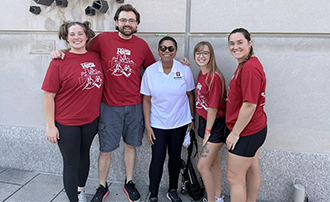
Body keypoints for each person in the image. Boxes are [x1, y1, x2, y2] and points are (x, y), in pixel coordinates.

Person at [42, 21, 103, 202]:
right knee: (70, 164)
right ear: (66, 38)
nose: (76, 37)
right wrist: (50, 126)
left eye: (80, 33)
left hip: (91, 120)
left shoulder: (96, 56)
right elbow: (48, 97)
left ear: (87, 36)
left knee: (84, 157)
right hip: (67, 122)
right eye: (72, 34)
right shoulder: (58, 62)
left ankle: (80, 191)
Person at [140, 36, 195, 202]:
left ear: (175, 51)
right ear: (158, 51)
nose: (167, 51)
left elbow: (190, 96)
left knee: (175, 157)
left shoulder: (184, 70)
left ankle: (172, 190)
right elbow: (146, 99)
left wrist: (192, 119)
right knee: (157, 159)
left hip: (179, 123)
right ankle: (154, 193)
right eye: (163, 48)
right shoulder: (150, 71)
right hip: (157, 124)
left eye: (170, 48)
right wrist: (148, 126)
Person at [225, 28, 267, 202]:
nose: (235, 47)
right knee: (252, 168)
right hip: (255, 128)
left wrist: (235, 133)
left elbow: (249, 105)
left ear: (250, 43)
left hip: (246, 131)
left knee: (234, 178)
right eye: (232, 43)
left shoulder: (249, 68)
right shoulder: (246, 64)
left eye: (240, 42)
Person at [193, 41, 226, 202]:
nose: (201, 56)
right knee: (213, 164)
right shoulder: (202, 73)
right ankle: (218, 197)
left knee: (202, 166)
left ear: (211, 55)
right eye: (198, 53)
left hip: (214, 126)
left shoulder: (214, 77)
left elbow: (213, 108)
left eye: (205, 53)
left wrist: (207, 132)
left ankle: (211, 200)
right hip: (204, 122)